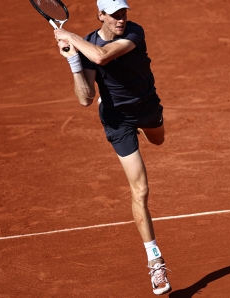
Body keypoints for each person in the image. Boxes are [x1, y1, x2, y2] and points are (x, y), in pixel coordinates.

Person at [53, 0, 171, 295]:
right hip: (117, 120)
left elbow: (103, 56)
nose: (121, 18)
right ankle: (155, 262)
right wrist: (73, 61)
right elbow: (84, 98)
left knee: (158, 139)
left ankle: (145, 128)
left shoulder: (134, 33)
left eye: (123, 13)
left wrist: (71, 38)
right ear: (101, 15)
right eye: (115, 14)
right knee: (140, 190)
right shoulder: (88, 45)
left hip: (146, 107)